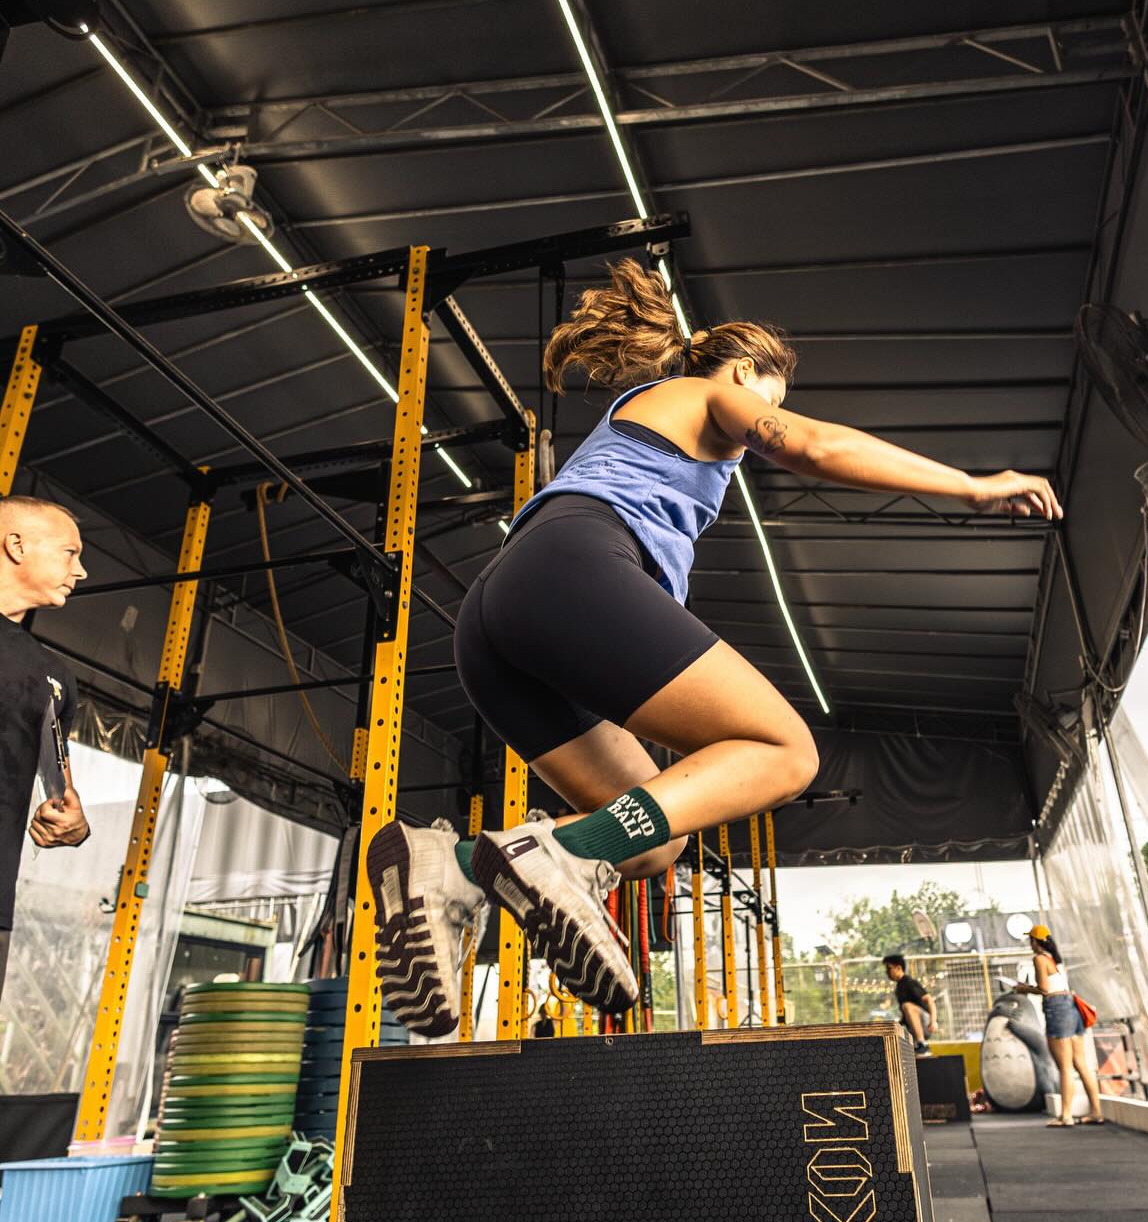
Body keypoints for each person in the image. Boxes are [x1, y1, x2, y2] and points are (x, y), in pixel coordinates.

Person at [367, 260, 1061, 1034]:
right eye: (768, 396)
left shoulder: (643, 419)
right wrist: (972, 486)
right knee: (785, 749)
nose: (760, 417)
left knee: (653, 843)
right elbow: (817, 448)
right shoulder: (707, 393)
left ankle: (456, 871)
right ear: (741, 371)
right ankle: (556, 859)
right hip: (570, 571)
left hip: (499, 621)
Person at [0, 497, 90, 1003]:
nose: (80, 570)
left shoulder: (54, 674)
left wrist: (72, 821)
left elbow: (61, 790)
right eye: (69, 553)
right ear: (16, 545)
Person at [1014, 924, 1105, 1127]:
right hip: (1071, 1008)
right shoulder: (1056, 960)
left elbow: (1044, 989)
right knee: (1081, 1064)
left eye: (1031, 940)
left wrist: (1023, 989)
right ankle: (1096, 1111)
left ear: (1035, 942)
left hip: (1057, 1009)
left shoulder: (1039, 959)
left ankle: (1066, 1115)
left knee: (1064, 1067)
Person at [883, 952, 937, 1056]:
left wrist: (933, 1021)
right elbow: (906, 1015)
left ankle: (923, 1045)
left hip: (926, 1024)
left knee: (907, 1006)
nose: (887, 972)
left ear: (898, 968)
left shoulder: (909, 982)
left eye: (889, 968)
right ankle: (917, 1043)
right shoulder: (899, 987)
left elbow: (929, 1000)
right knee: (896, 1021)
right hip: (913, 1028)